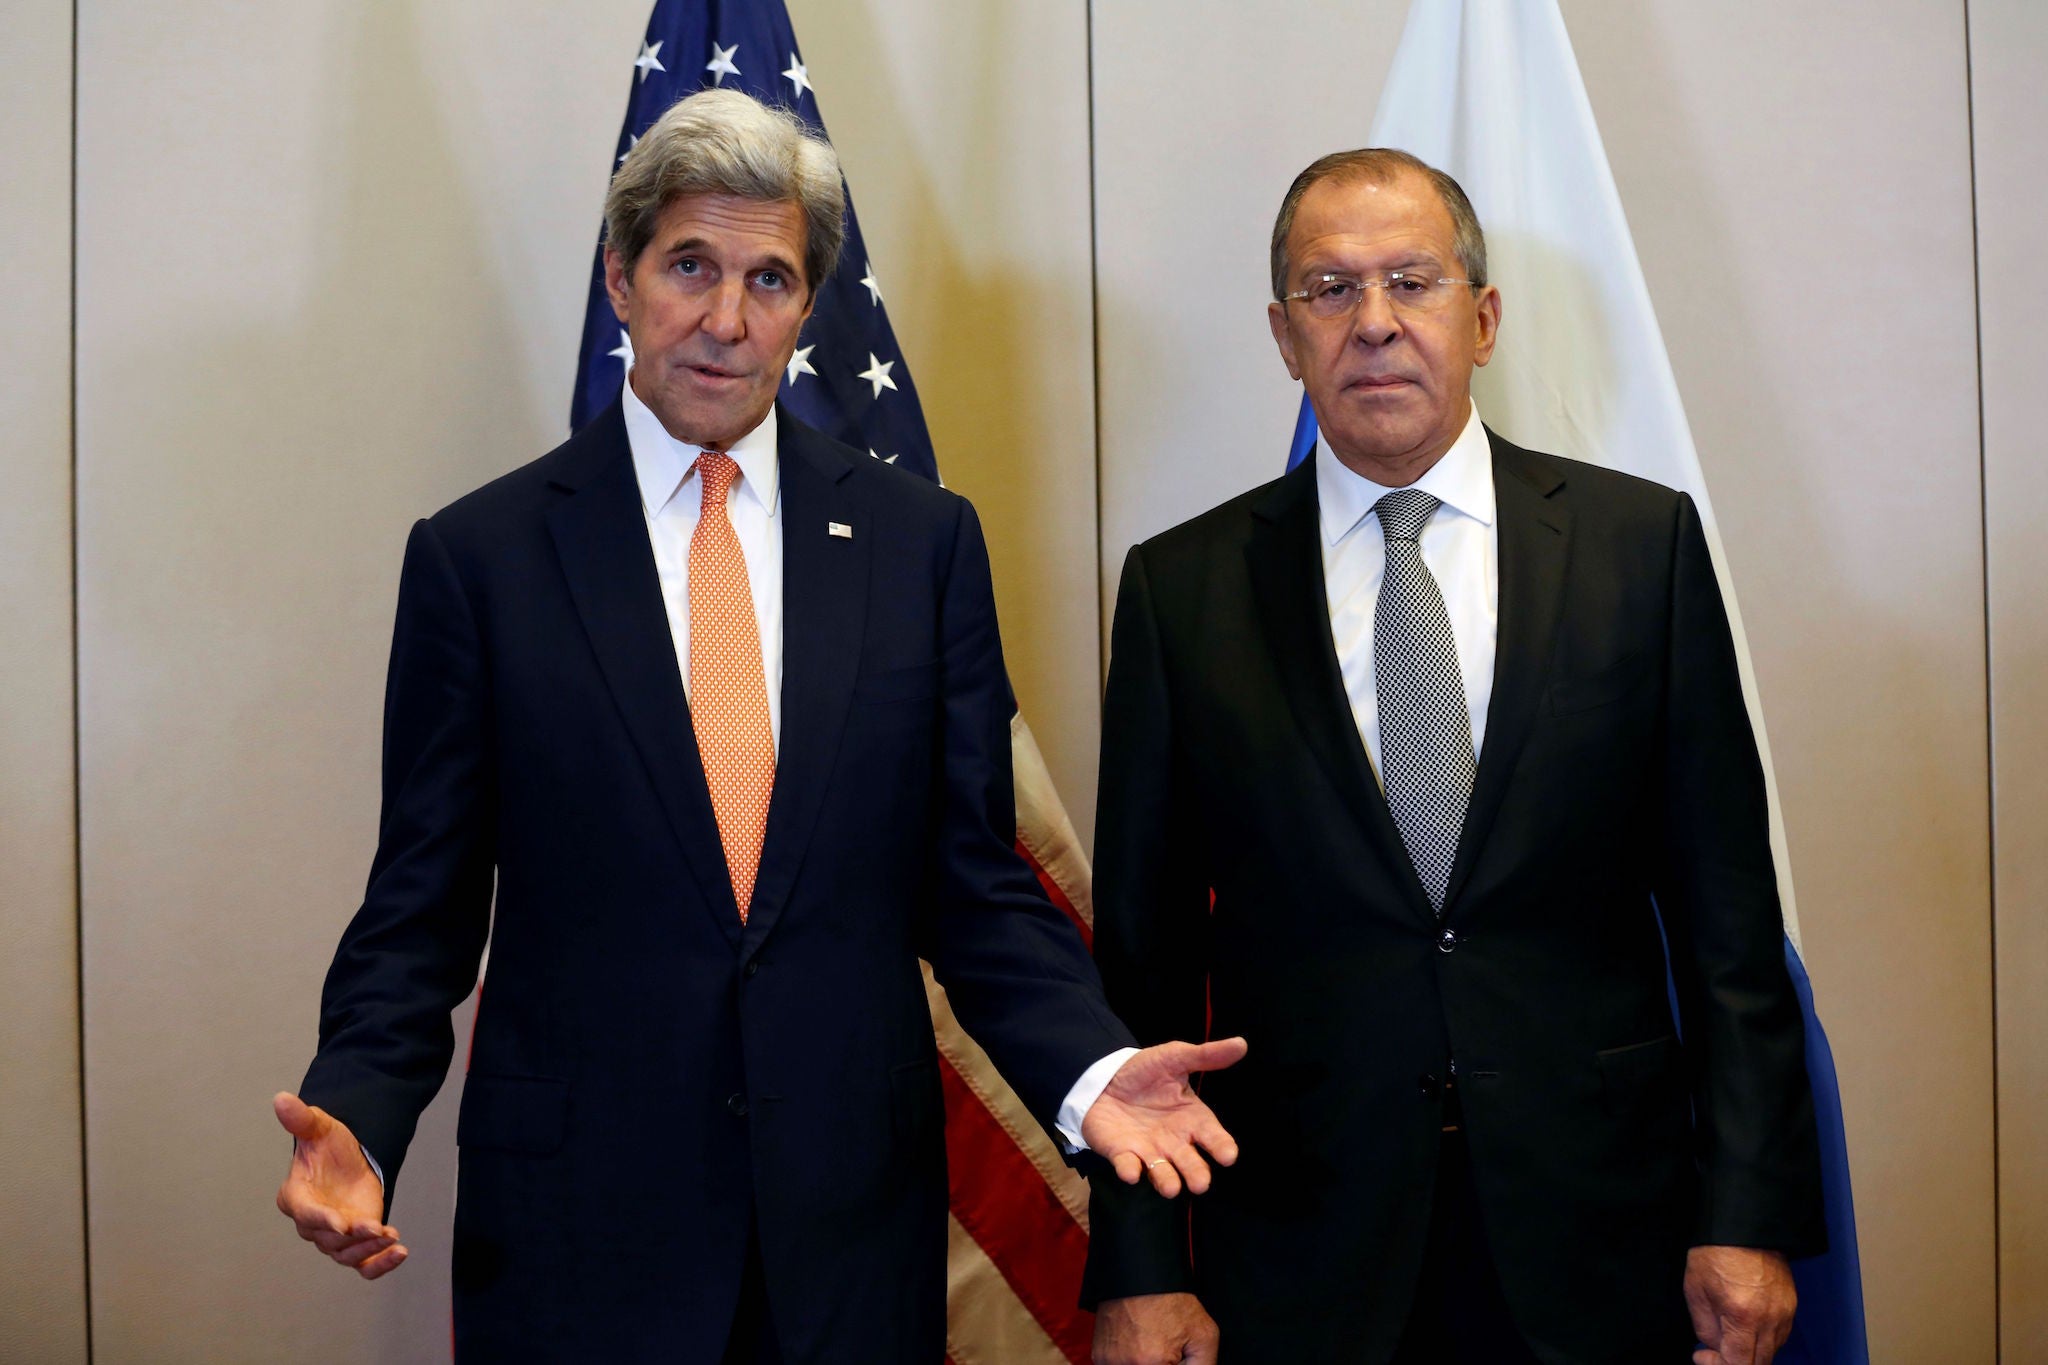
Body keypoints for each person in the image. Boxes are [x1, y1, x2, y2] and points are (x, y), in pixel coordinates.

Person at [271, 87, 1243, 1364]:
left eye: (769, 279)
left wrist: (1085, 1071)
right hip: (580, 1228)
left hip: (844, 1231)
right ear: (619, 279)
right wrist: (359, 1109)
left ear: (806, 305)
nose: (725, 320)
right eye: (689, 266)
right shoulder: (481, 559)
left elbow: (974, 885)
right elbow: (422, 904)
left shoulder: (919, 546)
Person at [1082, 148, 1825, 1365]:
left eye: (1410, 283)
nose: (1372, 324)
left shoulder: (1638, 549)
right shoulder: (1181, 590)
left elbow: (1726, 928)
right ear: (1283, 335)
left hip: (1601, 1231)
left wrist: (1745, 1216)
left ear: (1479, 318)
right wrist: (1140, 1268)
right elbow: (1142, 976)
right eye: (1329, 291)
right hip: (1303, 1247)